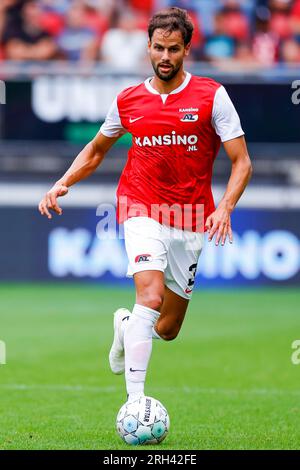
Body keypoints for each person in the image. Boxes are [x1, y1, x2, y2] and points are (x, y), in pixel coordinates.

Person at [39, 7, 252, 404]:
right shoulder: (129, 99)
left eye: (173, 49)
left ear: (187, 48)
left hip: (190, 217)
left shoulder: (211, 96)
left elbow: (242, 161)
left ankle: (126, 326)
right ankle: (136, 404)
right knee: (150, 298)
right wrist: (63, 181)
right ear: (148, 48)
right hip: (140, 207)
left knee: (167, 327)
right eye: (158, 48)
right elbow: (96, 150)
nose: (165, 57)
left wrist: (225, 207)